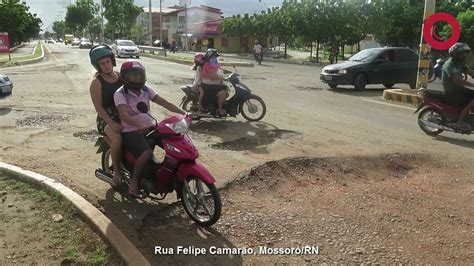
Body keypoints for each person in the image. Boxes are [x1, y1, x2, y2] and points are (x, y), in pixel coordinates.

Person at [114, 60, 186, 198]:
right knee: (146, 152)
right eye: (133, 76)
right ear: (125, 77)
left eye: (139, 75)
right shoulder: (120, 93)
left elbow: (163, 102)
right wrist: (138, 125)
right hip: (131, 131)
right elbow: (123, 114)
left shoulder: (146, 89)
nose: (137, 79)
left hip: (150, 127)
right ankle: (134, 182)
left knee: (174, 143)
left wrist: (182, 113)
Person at [89, 45, 124, 187]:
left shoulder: (120, 77)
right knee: (117, 138)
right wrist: (112, 123)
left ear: (112, 61)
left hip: (123, 114)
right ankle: (116, 170)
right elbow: (99, 108)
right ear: (98, 66)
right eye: (102, 63)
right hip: (106, 118)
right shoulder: (96, 82)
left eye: (108, 62)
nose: (106, 65)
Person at [441, 42, 474, 131]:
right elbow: (458, 80)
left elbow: (470, 72)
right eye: (462, 53)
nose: (464, 55)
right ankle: (460, 123)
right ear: (456, 54)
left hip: (458, 90)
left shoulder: (460, 63)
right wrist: (472, 84)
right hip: (452, 93)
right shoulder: (449, 65)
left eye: (464, 53)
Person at [193, 49, 229, 117]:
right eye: (213, 57)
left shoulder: (213, 63)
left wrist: (228, 74)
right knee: (223, 93)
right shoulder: (207, 65)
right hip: (207, 85)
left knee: (226, 89)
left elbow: (219, 70)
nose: (215, 59)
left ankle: (218, 104)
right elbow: (212, 77)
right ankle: (219, 109)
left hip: (212, 83)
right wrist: (222, 77)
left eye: (215, 57)